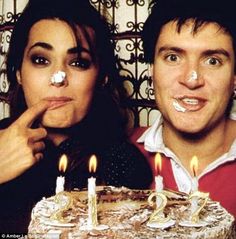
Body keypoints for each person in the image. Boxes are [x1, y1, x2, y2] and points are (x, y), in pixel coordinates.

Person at [0, 0, 152, 232]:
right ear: (19, 72)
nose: (58, 78)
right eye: (41, 60)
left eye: (78, 62)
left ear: (102, 77)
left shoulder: (122, 163)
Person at [131, 0, 236, 218]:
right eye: (173, 57)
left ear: (234, 78)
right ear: (152, 71)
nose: (191, 79)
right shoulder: (118, 155)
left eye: (213, 61)